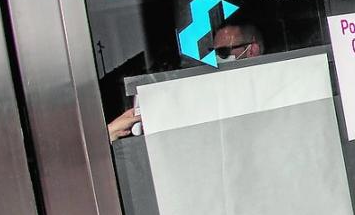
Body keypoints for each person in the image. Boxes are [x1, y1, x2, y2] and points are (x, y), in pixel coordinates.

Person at [107, 21, 265, 142]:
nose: (216, 59)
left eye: (223, 52)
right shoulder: (210, 95)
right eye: (212, 53)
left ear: (252, 50)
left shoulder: (269, 91)